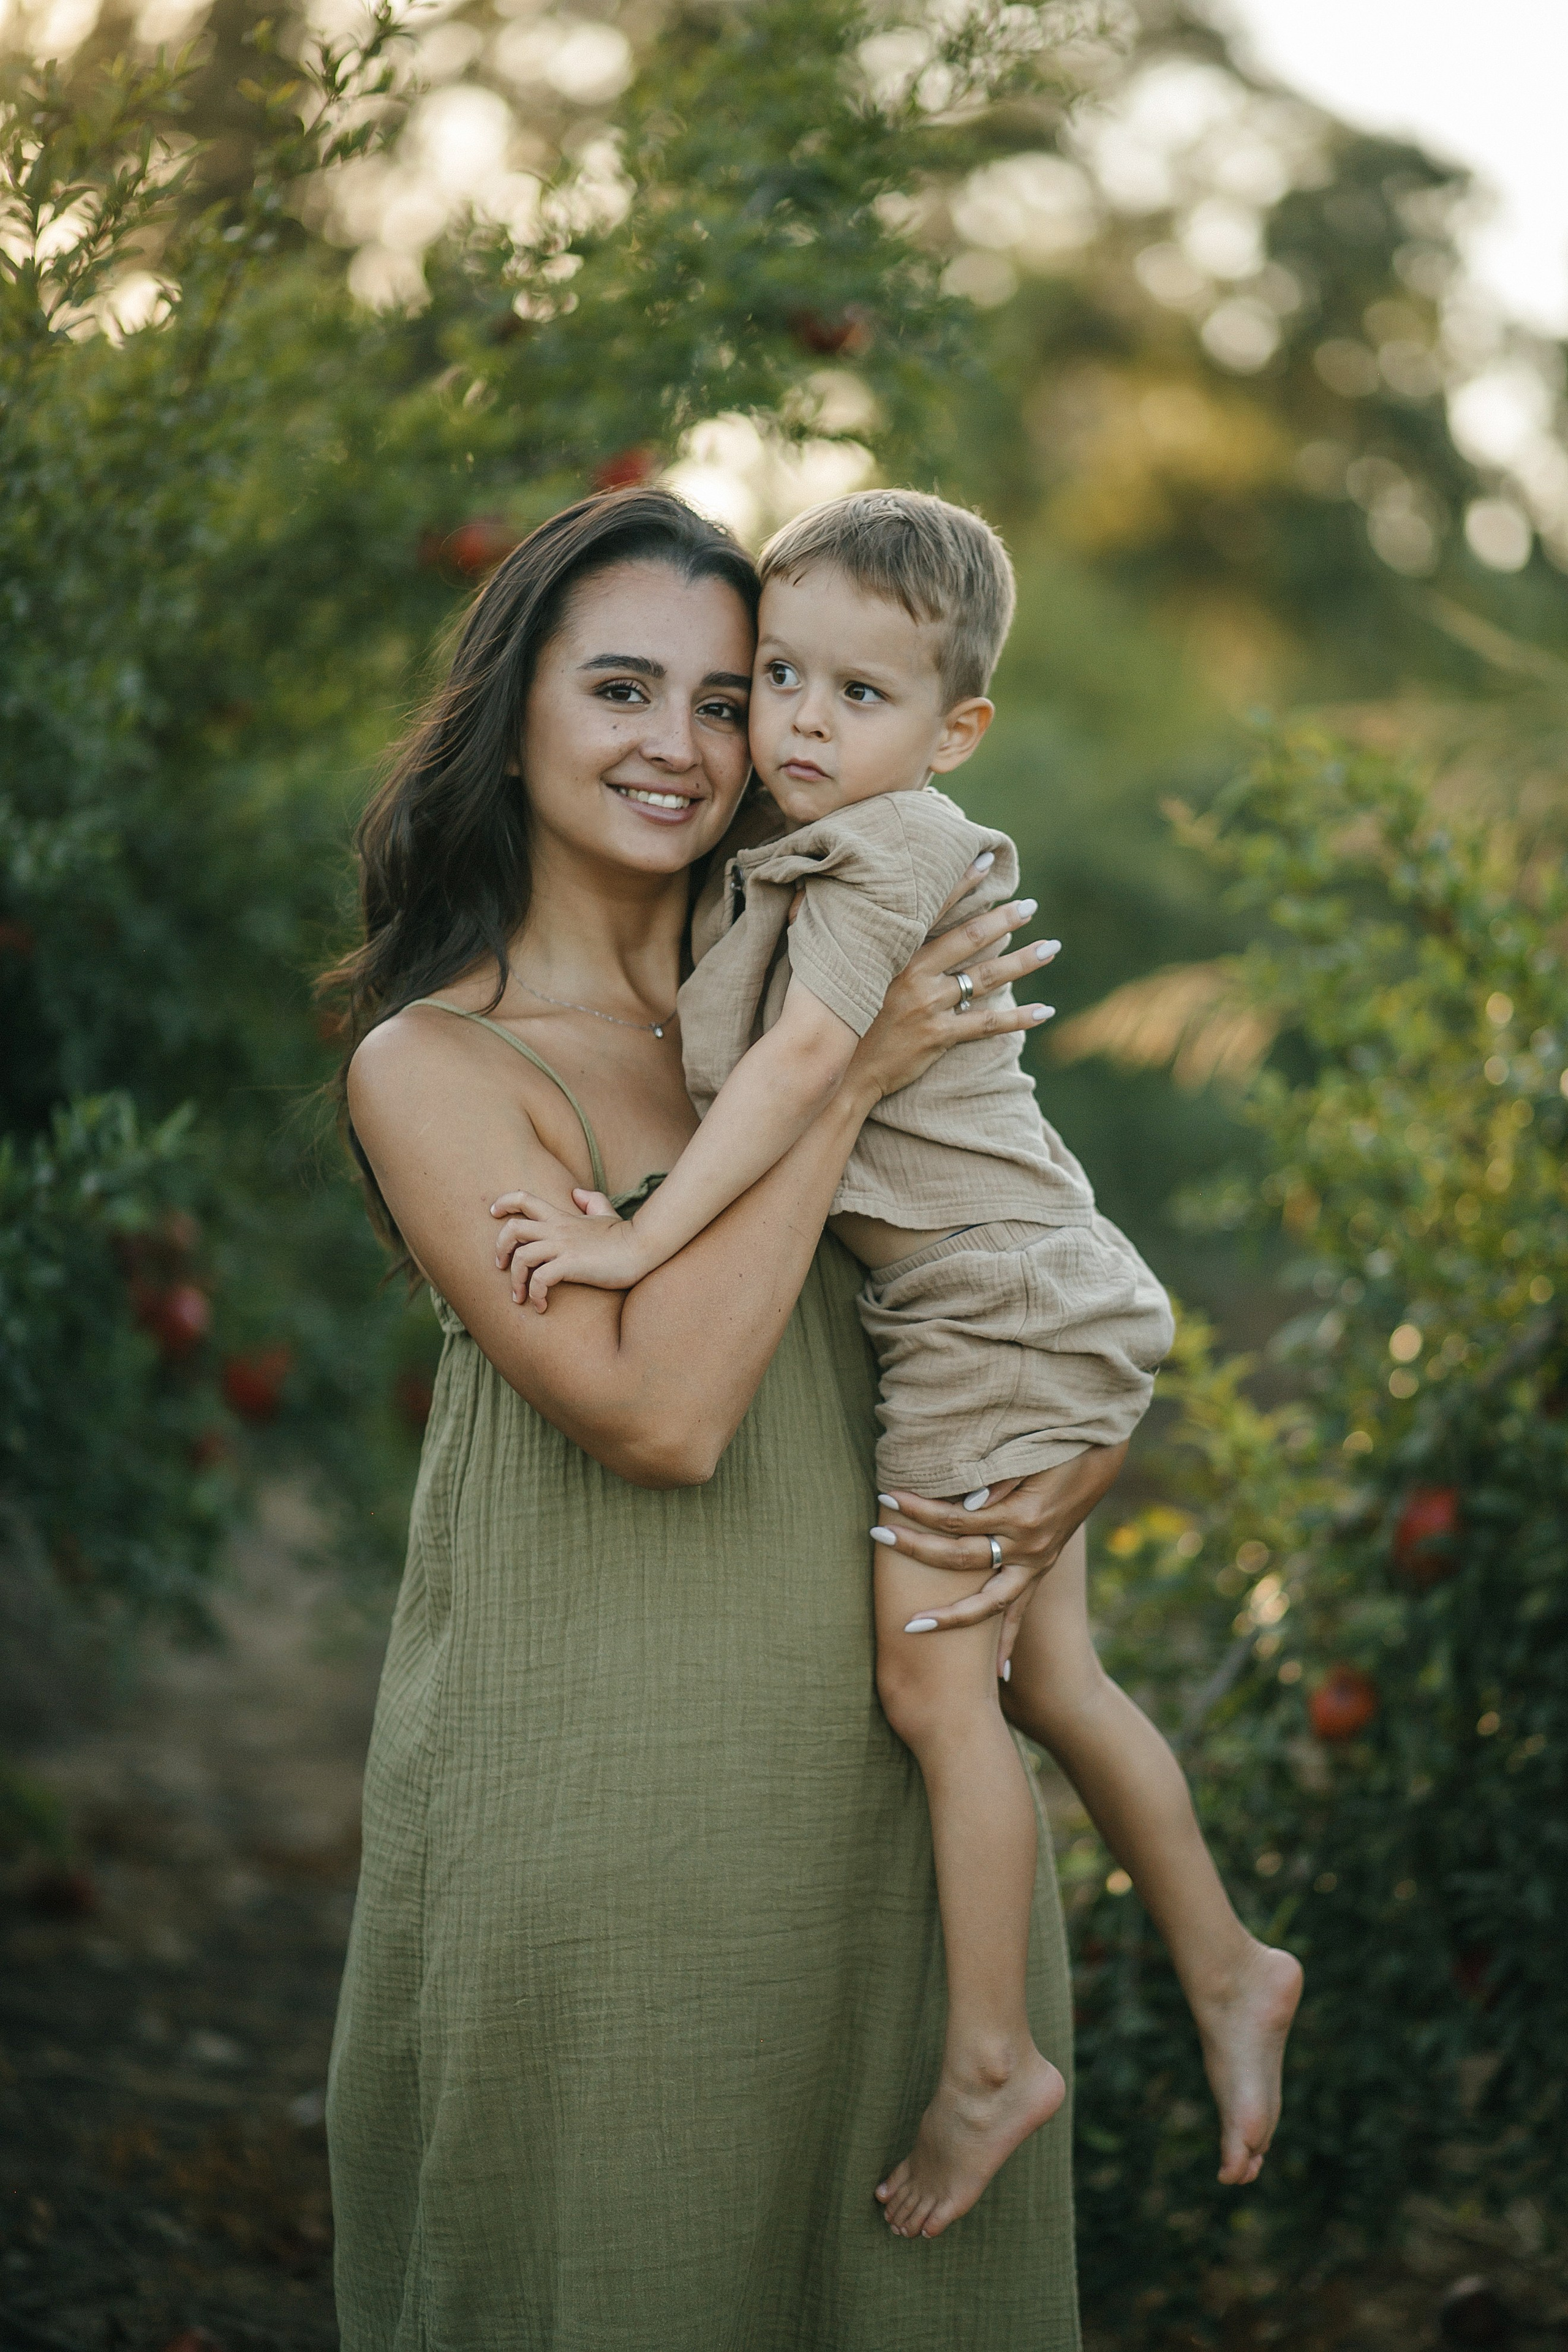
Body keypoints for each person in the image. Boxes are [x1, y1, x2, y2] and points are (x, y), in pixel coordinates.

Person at [323, 485, 1119, 2351]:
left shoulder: (808, 972)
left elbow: (1018, 1295)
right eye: (619, 690)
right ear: (514, 717)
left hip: (877, 1785)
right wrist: (841, 1090)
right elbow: (666, 1417)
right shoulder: (438, 1061)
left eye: (722, 696)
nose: (680, 748)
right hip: (603, 1802)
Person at [490, 489, 1303, 2244]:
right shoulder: (810, 844)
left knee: (941, 1696)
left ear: (955, 730)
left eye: (856, 698)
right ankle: (1230, 1965)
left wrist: (631, 1240)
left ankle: (993, 2058)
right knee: (1053, 1683)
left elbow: (793, 1078)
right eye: (778, 678)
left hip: (990, 1309)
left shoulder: (887, 853)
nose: (791, 725)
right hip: (1024, 1295)